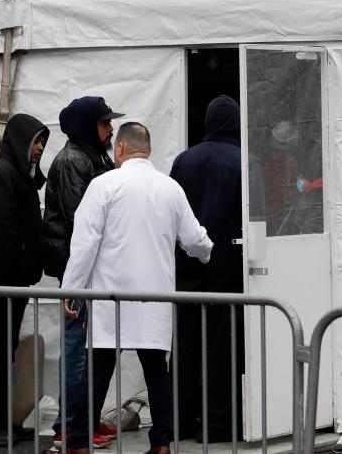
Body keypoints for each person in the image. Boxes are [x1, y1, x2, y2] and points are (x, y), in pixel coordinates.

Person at [61, 122, 213, 454]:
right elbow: (194, 240)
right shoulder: (170, 188)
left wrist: (71, 288)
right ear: (149, 150)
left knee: (97, 374)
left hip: (109, 298)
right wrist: (208, 249)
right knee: (157, 372)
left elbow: (84, 244)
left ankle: (79, 444)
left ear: (119, 149)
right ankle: (161, 444)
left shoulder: (104, 185)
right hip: (153, 298)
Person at [41, 96, 123, 450]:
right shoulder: (74, 159)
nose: (110, 129)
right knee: (77, 348)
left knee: (89, 347)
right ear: (89, 126)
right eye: (105, 123)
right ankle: (70, 425)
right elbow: (82, 220)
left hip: (90, 267)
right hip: (80, 269)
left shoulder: (92, 155)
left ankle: (81, 419)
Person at [170, 95, 244, 442]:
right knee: (221, 351)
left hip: (185, 272)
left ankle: (180, 422)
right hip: (227, 275)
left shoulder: (183, 161)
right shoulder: (245, 161)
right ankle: (215, 426)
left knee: (184, 348)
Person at [0, 113, 50, 446]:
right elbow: (0, 234)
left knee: (5, 351)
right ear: (21, 141)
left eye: (42, 142)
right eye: (36, 141)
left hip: (12, 281)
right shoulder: (3, 175)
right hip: (4, 282)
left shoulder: (14, 174)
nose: (40, 148)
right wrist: (12, 273)